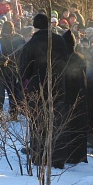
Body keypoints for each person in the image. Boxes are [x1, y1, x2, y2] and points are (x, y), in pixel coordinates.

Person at [18, 13, 68, 168]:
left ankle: (39, 155)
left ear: (35, 26)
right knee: (56, 120)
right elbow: (66, 61)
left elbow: (24, 69)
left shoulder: (31, 44)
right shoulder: (59, 40)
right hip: (57, 86)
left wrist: (23, 83)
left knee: (38, 122)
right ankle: (57, 156)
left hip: (37, 89)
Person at [61, 29, 89, 165]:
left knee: (67, 126)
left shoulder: (59, 58)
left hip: (65, 97)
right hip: (79, 96)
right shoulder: (81, 58)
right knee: (77, 126)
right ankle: (78, 155)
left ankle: (67, 153)